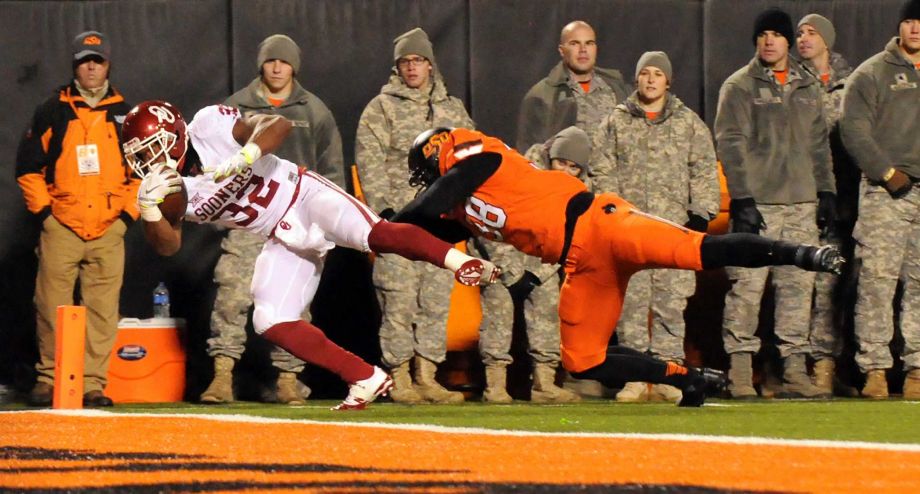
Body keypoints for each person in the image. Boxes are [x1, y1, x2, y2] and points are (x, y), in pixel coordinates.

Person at [392, 127, 845, 407]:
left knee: (700, 251)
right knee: (583, 361)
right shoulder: (460, 206)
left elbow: (443, 192)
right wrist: (388, 233)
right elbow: (427, 230)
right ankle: (688, 378)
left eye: (424, 170)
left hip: (602, 224)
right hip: (580, 264)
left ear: (437, 150)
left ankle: (802, 254)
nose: (426, 182)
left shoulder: (476, 154)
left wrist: (396, 220)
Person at [120, 101, 499, 410]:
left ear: (173, 136)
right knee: (270, 320)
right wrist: (151, 213)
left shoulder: (208, 127)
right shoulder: (167, 189)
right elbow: (167, 245)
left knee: (375, 234)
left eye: (150, 150)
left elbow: (277, 123)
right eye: (138, 156)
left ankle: (460, 262)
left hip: (302, 195)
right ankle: (365, 376)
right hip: (278, 234)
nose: (147, 163)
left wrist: (247, 153)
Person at [201, 34, 346, 405]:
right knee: (231, 297)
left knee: (293, 304)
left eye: (284, 61)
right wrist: (222, 213)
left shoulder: (313, 111)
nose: (277, 67)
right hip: (248, 218)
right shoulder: (237, 107)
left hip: (296, 222)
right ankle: (222, 377)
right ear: (261, 66)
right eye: (270, 61)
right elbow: (210, 162)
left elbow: (331, 172)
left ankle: (287, 379)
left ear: (294, 66)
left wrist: (326, 222)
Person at [714, 8, 836, 399]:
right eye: (763, 34)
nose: (769, 41)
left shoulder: (808, 86)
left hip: (801, 203)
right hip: (759, 207)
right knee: (746, 291)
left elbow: (819, 146)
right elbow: (730, 143)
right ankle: (739, 370)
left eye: (777, 35)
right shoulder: (739, 86)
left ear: (788, 42)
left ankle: (794, 370)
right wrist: (743, 199)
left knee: (797, 290)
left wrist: (827, 192)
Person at [15, 31, 138, 408]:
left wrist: (125, 218)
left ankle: (92, 384)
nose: (91, 66)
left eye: (97, 60)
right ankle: (49, 378)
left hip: (108, 227)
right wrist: (47, 215)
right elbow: (28, 168)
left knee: (102, 311)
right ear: (75, 65)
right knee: (50, 304)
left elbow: (142, 173)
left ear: (108, 66)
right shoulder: (51, 110)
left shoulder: (126, 114)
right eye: (85, 60)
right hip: (63, 225)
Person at [591, 51, 720, 403]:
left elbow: (705, 170)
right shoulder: (615, 122)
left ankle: (670, 376)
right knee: (630, 303)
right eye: (644, 73)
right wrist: (613, 212)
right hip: (630, 230)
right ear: (637, 80)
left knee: (670, 303)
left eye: (657, 74)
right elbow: (601, 169)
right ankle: (634, 377)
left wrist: (700, 215)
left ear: (668, 81)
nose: (650, 80)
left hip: (672, 230)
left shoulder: (688, 123)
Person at [355, 27, 475, 403]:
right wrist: (385, 213)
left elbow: (471, 156)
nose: (412, 68)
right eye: (405, 61)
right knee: (398, 298)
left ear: (430, 65)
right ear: (397, 67)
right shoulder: (381, 108)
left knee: (435, 299)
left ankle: (427, 375)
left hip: (441, 221)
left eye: (418, 60)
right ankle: (400, 377)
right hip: (399, 221)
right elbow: (368, 159)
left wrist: (462, 206)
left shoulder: (452, 109)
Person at [839, 0, 920, 399]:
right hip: (888, 192)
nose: (916, 29)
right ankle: (874, 368)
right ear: (899, 27)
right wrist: (887, 174)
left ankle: (917, 369)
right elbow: (852, 129)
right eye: (909, 21)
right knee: (878, 281)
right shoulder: (871, 73)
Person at [476, 127, 588, 404]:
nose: (565, 171)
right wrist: (511, 269)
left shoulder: (578, 193)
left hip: (541, 264)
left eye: (574, 167)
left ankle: (544, 384)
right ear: (550, 157)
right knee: (497, 315)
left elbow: (569, 239)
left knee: (548, 309)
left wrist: (537, 273)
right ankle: (495, 386)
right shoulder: (515, 173)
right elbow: (486, 221)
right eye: (561, 162)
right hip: (500, 259)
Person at [795, 13, 857, 396]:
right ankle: (791, 366)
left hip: (846, 200)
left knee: (836, 283)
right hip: (801, 194)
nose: (803, 39)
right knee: (799, 284)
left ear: (827, 40)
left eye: (811, 33)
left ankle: (829, 364)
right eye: (799, 33)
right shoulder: (788, 82)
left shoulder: (854, 83)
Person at [516, 20, 629, 155]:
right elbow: (529, 154)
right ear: (562, 51)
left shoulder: (617, 88)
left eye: (589, 43)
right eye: (574, 43)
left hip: (612, 175)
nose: (583, 50)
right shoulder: (541, 95)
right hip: (566, 175)